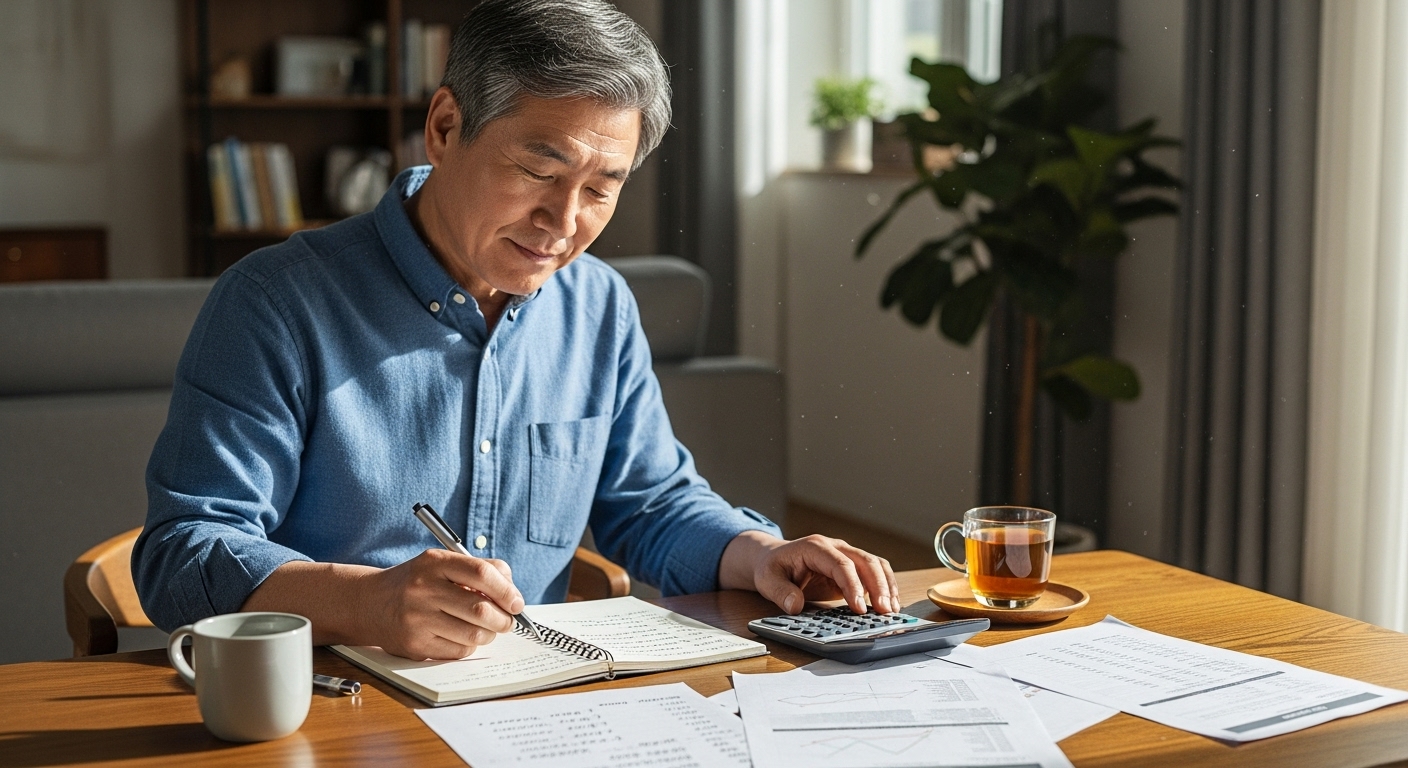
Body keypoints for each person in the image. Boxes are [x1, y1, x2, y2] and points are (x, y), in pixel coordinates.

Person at [134, 0, 899, 661]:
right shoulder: (275, 302)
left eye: (602, 188)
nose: (564, 225)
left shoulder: (597, 306)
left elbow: (651, 503)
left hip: (532, 708)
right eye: (540, 170)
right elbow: (183, 553)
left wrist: (759, 553)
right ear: (444, 127)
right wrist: (368, 603)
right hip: (329, 700)